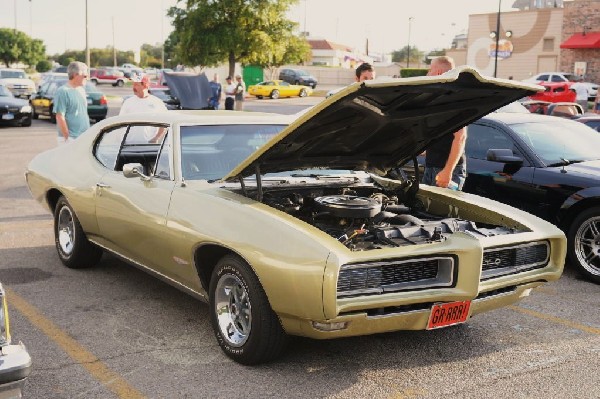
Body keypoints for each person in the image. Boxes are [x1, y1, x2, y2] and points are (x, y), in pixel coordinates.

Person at [422, 56, 467, 191]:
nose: (428, 74)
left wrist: (448, 171)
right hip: (431, 167)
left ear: (438, 72)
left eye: (430, 70)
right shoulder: (437, 98)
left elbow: (461, 137)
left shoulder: (455, 99)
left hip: (446, 171)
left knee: (441, 212)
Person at [119, 74, 167, 143]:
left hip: (149, 145)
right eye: (133, 84)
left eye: (136, 85)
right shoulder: (128, 102)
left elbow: (165, 122)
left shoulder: (157, 102)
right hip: (128, 145)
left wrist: (157, 138)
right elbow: (120, 122)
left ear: (145, 86)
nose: (133, 87)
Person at [53, 61, 90, 145]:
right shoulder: (63, 91)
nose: (87, 78)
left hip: (83, 137)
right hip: (70, 139)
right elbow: (59, 116)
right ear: (75, 75)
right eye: (85, 76)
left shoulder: (81, 90)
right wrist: (67, 137)